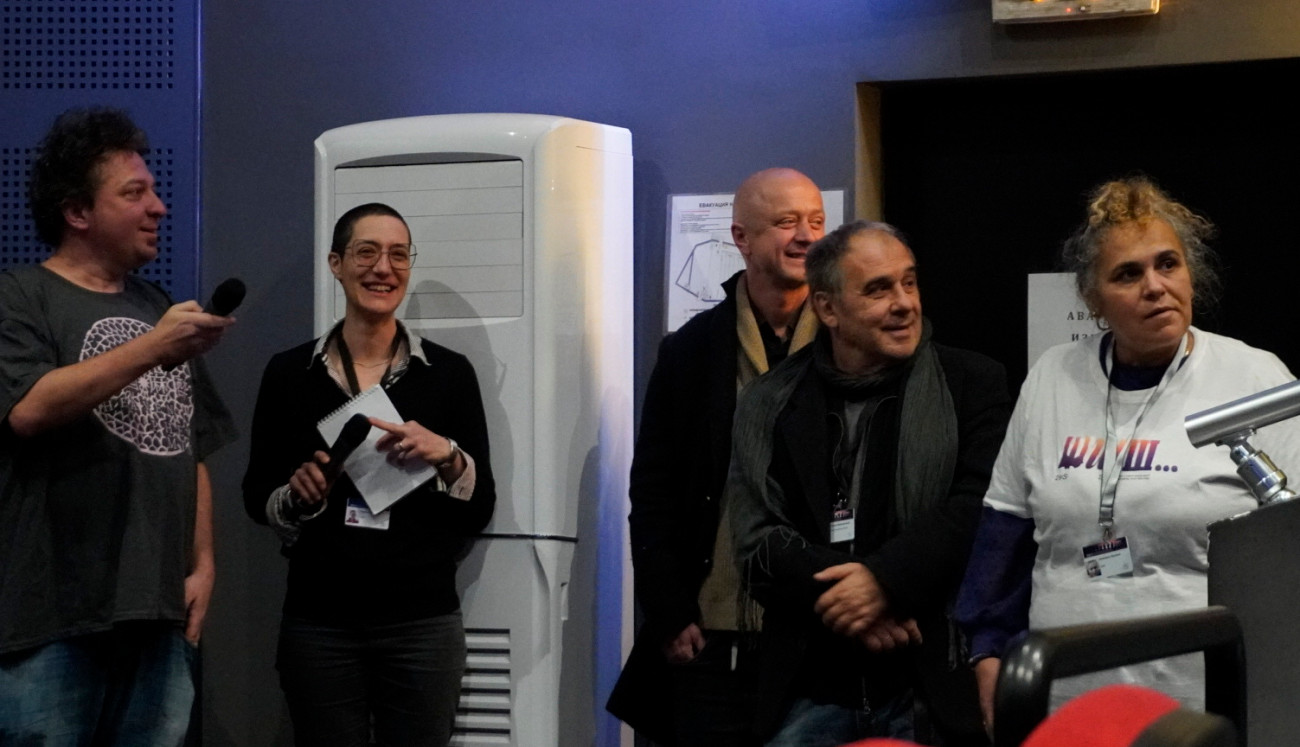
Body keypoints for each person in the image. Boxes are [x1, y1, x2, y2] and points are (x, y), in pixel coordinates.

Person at [954, 177, 1300, 728]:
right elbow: (1006, 533)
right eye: (1128, 274)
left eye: (1168, 264)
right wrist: (988, 649)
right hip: (1066, 696)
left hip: (1200, 706)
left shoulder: (1256, 378)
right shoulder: (1051, 377)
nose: (1155, 286)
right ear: (1093, 300)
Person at [0, 107, 236, 744]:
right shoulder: (19, 297)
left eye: (153, 190)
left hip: (158, 615)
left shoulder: (158, 307)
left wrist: (203, 565)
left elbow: (192, 446)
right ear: (78, 211)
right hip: (53, 622)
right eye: (135, 193)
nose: (158, 207)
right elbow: (29, 409)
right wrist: (156, 347)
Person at [729, 220, 1011, 746]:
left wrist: (885, 581)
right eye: (879, 289)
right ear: (828, 308)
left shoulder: (973, 383)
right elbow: (756, 538)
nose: (904, 303)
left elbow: (980, 508)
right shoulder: (770, 403)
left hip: (932, 682)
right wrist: (856, 600)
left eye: (909, 282)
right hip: (810, 684)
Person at [242, 203, 495, 747]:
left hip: (422, 622)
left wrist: (447, 453)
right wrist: (296, 497)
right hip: (320, 622)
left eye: (399, 255)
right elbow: (254, 495)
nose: (384, 268)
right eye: (367, 252)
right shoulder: (289, 374)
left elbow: (480, 507)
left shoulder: (448, 374)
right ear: (336, 264)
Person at [606, 168, 826, 745]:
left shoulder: (845, 343)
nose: (806, 236)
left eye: (816, 221)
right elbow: (653, 491)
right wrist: (669, 611)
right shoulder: (691, 351)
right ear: (741, 238)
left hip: (819, 633)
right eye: (786, 222)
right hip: (714, 632)